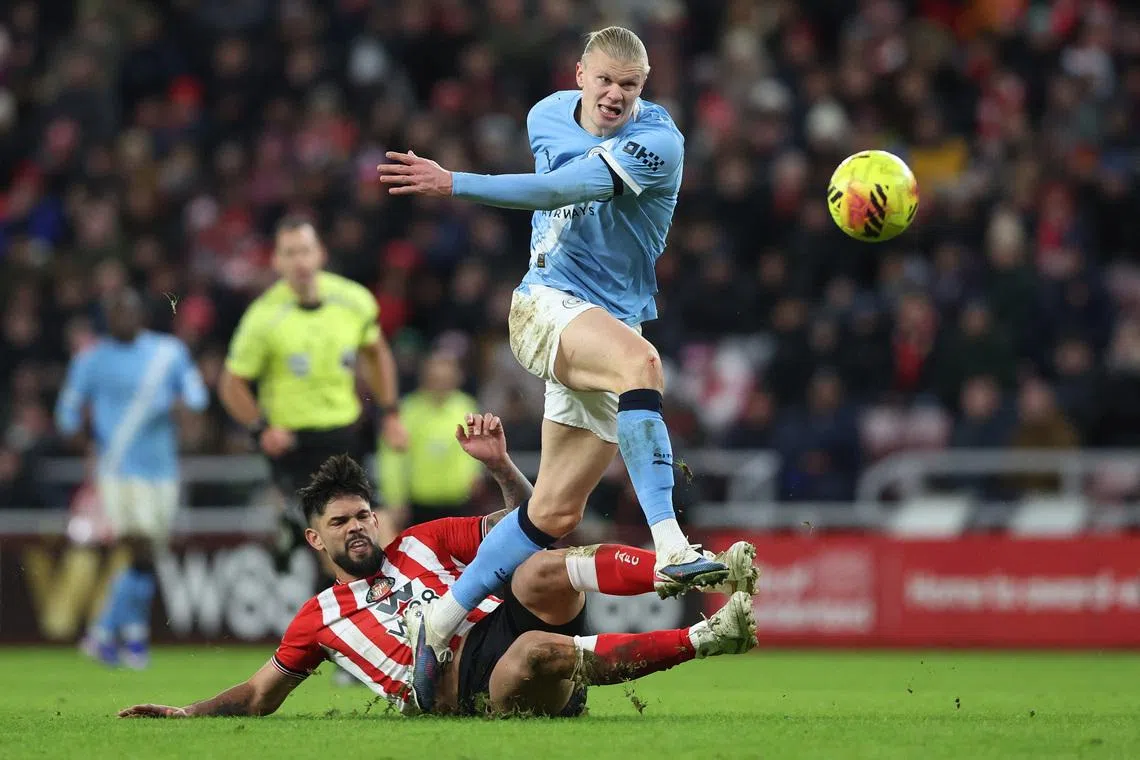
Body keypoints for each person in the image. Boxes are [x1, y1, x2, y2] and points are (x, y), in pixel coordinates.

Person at [376, 26, 726, 709]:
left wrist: (456, 183)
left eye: (630, 85)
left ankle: (439, 620)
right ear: (580, 76)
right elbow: (548, 189)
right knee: (643, 365)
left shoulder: (660, 143)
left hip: (605, 322)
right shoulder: (544, 114)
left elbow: (565, 186)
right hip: (544, 306)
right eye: (604, 81)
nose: (616, 95)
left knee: (554, 511)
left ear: (643, 89)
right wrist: (458, 185)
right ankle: (673, 542)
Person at [117, 414, 758, 719]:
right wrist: (188, 714)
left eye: (363, 515)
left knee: (540, 566)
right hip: (465, 688)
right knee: (536, 647)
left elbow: (528, 523)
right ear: (315, 540)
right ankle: (708, 637)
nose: (359, 528)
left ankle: (687, 568)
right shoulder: (319, 619)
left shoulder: (422, 541)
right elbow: (260, 695)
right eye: (340, 523)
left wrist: (500, 466)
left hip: (498, 624)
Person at [219, 215, 409, 564]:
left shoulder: (354, 300)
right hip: (296, 444)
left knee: (382, 531)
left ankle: (293, 534)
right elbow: (231, 385)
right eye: (289, 253)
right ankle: (298, 537)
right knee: (337, 541)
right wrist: (262, 428)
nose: (299, 262)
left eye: (305, 251)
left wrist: (391, 414)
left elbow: (376, 352)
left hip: (347, 435)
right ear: (276, 261)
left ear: (320, 254)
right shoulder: (263, 317)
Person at [55, 288, 208, 668]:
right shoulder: (91, 359)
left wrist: (181, 405)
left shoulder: (167, 353)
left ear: (141, 315)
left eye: (129, 310)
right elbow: (67, 412)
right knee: (138, 544)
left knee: (149, 551)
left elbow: (196, 394)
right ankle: (105, 633)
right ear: (107, 318)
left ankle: (126, 637)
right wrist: (83, 443)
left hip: (163, 469)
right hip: (119, 469)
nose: (123, 318)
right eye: (116, 312)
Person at [379, 351, 481, 527]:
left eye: (446, 378)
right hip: (418, 503)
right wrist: (395, 498)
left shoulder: (465, 407)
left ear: (456, 378)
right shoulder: (407, 411)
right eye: (435, 378)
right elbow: (393, 458)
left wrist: (474, 475)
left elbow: (475, 448)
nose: (441, 384)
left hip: (458, 500)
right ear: (424, 378)